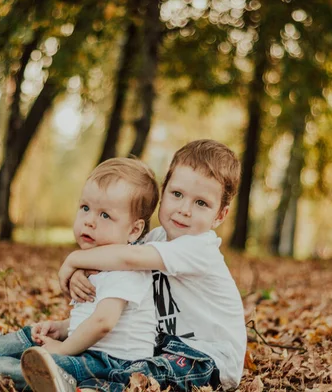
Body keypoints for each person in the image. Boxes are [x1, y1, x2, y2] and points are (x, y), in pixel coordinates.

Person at [0, 158, 160, 392]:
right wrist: (62, 328)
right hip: (91, 350)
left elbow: (103, 323)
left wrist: (63, 348)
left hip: (113, 364)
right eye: (85, 208)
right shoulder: (98, 263)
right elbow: (91, 317)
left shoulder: (128, 268)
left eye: (105, 215)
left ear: (134, 229)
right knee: (30, 336)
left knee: (45, 365)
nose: (89, 221)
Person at [41, 139, 247, 392]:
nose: (184, 209)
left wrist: (73, 260)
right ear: (164, 191)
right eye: (177, 194)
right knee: (123, 362)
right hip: (165, 345)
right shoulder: (156, 239)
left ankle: (83, 385)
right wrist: (80, 277)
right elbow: (116, 258)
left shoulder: (200, 248)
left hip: (208, 358)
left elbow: (127, 259)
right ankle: (61, 374)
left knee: (143, 374)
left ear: (220, 215)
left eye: (201, 203)